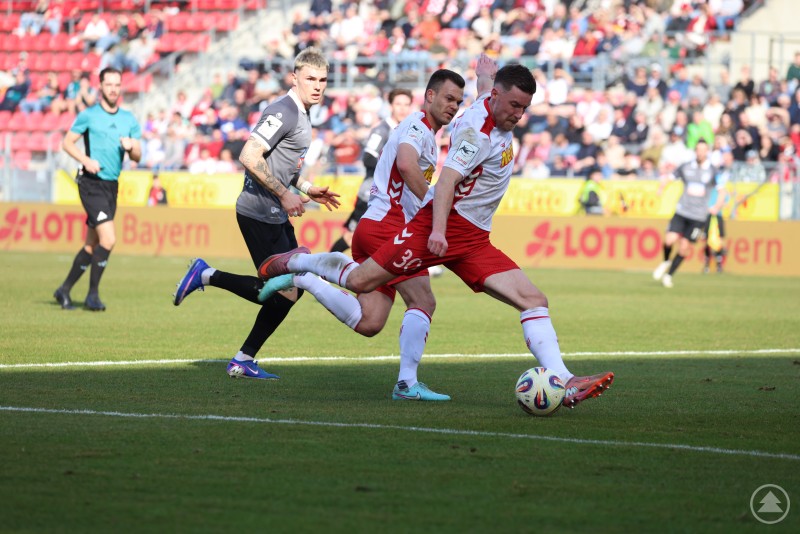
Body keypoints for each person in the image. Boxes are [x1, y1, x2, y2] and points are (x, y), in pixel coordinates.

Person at [258, 64, 615, 409]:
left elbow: (484, 95)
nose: (519, 115)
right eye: (514, 105)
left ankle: (565, 380)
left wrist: (484, 75)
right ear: (495, 97)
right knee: (361, 282)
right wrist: (439, 229)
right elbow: (444, 182)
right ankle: (301, 262)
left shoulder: (483, 107)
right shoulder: (474, 137)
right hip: (437, 227)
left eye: (524, 108)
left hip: (473, 239)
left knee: (533, 299)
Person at [259, 65, 478, 401]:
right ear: (430, 95)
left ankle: (304, 277)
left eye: (458, 102)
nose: (453, 106)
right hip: (388, 227)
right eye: (448, 98)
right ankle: (406, 384)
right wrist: (436, 206)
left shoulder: (427, 134)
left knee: (370, 322)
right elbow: (406, 164)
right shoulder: (417, 126)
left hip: (377, 226)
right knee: (423, 300)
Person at [172, 48, 341, 380]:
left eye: (322, 80)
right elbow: (249, 155)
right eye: (310, 78)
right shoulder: (284, 111)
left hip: (275, 213)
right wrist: (285, 194)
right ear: (294, 77)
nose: (317, 86)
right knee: (281, 290)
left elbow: (282, 166)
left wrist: (306, 188)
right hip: (259, 212)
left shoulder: (303, 113)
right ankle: (206, 276)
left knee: (290, 290)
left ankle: (243, 358)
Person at [53, 67, 142, 311]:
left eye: (117, 84)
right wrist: (86, 160)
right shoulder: (89, 115)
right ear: (100, 86)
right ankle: (92, 296)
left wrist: (131, 146)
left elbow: (137, 155)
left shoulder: (128, 119)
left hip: (112, 186)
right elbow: (67, 143)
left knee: (92, 245)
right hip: (91, 183)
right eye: (109, 84)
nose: (113, 89)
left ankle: (63, 290)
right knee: (109, 239)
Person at [329, 88, 413, 254]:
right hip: (370, 194)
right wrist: (393, 169)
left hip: (390, 195)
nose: (402, 109)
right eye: (398, 104)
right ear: (390, 106)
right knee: (351, 237)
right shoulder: (382, 130)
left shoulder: (407, 130)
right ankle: (325, 265)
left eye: (406, 104)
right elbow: (368, 157)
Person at [653, 140, 726, 288]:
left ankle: (669, 275)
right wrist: (661, 188)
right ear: (695, 151)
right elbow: (670, 178)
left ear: (707, 152)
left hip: (698, 216)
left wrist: (716, 207)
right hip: (682, 211)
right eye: (698, 149)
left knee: (684, 247)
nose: (700, 153)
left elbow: (722, 191)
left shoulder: (713, 171)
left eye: (703, 150)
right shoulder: (686, 166)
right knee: (669, 240)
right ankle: (666, 261)